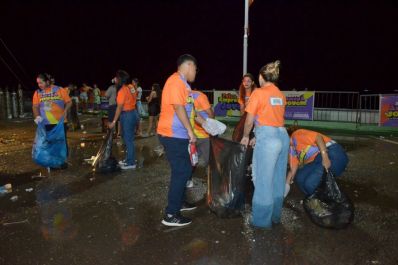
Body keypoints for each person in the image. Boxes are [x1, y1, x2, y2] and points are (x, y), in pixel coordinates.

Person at [240, 60, 289, 229]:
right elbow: (273, 120)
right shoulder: (280, 95)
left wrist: (246, 136)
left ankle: (261, 222)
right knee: (277, 180)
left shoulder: (259, 93)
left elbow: (249, 120)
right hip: (283, 136)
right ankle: (275, 216)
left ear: (261, 77)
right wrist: (257, 136)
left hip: (268, 140)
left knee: (262, 181)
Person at [157, 54, 198, 227]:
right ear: (188, 65)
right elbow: (178, 107)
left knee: (184, 169)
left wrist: (207, 123)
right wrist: (190, 131)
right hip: (173, 134)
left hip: (178, 135)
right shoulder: (175, 82)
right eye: (195, 69)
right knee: (182, 171)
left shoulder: (184, 85)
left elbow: (189, 110)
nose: (196, 72)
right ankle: (171, 214)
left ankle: (180, 202)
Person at [286, 128, 349, 196]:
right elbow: (292, 170)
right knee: (300, 179)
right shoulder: (291, 149)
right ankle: (315, 199)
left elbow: (318, 137)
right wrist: (286, 186)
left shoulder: (297, 134)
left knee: (310, 184)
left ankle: (328, 202)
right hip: (318, 160)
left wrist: (325, 157)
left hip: (333, 153)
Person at [32, 73, 72, 168]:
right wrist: (37, 116)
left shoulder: (59, 90)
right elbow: (35, 106)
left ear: (47, 81)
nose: (39, 85)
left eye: (41, 83)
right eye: (38, 83)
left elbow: (69, 102)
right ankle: (52, 162)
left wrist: (66, 110)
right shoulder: (38, 93)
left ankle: (62, 162)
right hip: (45, 123)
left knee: (61, 142)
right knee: (49, 143)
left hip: (60, 122)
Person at [108, 70, 138, 170]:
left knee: (128, 140)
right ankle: (128, 158)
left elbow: (119, 107)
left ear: (120, 79)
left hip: (127, 114)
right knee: (127, 137)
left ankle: (131, 163)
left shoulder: (122, 91)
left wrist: (113, 122)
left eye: (116, 77)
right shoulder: (130, 87)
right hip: (133, 113)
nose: (115, 79)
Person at [185, 89, 214, 188]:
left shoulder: (184, 95)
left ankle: (188, 180)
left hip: (190, 134)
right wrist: (212, 125)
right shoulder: (201, 96)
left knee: (190, 159)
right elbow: (210, 112)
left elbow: (194, 115)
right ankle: (212, 180)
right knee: (209, 159)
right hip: (202, 135)